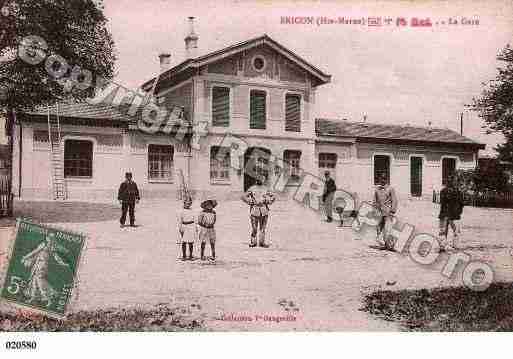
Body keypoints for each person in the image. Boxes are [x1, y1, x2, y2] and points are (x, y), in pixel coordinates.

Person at [242, 178, 276, 248]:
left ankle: (262, 242)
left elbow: (273, 196)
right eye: (258, 179)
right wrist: (249, 201)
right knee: (254, 228)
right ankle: (253, 242)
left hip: (264, 210)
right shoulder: (252, 188)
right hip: (254, 210)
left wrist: (268, 201)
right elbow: (244, 196)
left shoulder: (266, 189)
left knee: (262, 228)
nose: (260, 180)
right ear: (256, 180)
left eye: (261, 179)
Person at [438, 176, 464, 251]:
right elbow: (462, 203)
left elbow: (442, 202)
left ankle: (442, 247)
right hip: (454, 215)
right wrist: (459, 212)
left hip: (445, 214)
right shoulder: (458, 191)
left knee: (443, 231)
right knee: (456, 231)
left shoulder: (443, 191)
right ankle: (455, 246)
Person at [373, 174, 398, 250]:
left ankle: (390, 245)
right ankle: (384, 244)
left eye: (384, 178)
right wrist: (375, 210)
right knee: (379, 228)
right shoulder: (377, 189)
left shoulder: (390, 189)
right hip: (380, 212)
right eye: (381, 178)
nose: (382, 180)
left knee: (388, 229)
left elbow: (394, 200)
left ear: (386, 179)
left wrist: (393, 210)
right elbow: (375, 201)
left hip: (388, 212)